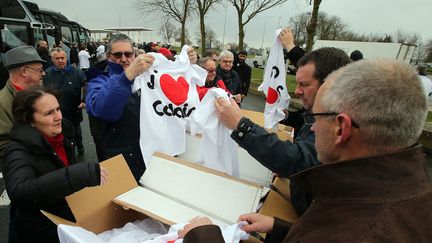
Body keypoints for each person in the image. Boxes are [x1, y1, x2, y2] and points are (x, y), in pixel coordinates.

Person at [180, 59, 432, 242]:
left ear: (341, 128)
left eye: (317, 118)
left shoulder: (365, 230)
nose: (311, 130)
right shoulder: (402, 191)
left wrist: (203, 237)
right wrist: (282, 228)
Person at [215, 46, 350, 216]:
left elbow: (301, 161)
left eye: (304, 84)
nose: (298, 91)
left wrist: (240, 125)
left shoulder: (335, 121)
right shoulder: (321, 112)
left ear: (330, 84)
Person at [3, 87, 108, 242]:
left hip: (63, 225)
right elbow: (21, 192)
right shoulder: (17, 150)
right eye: (48, 113)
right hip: (35, 232)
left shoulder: (63, 136)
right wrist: (78, 174)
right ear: (29, 120)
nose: (58, 116)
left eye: (58, 109)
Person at [86, 33, 154, 182]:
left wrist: (187, 63)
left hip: (150, 154)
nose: (123, 59)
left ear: (134, 54)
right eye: (117, 55)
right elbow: (101, 109)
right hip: (119, 158)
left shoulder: (147, 76)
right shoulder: (98, 80)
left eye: (128, 54)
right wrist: (126, 77)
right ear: (108, 56)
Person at [0, 45, 46, 166]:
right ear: (24, 72)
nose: (44, 73)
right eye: (40, 70)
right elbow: (4, 146)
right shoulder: (2, 103)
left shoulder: (36, 93)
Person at [43, 47, 87, 154]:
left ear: (66, 58)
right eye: (57, 58)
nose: (60, 61)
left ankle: (80, 145)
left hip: (73, 110)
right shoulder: (47, 74)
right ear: (52, 60)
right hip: (56, 112)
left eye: (62, 58)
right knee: (60, 135)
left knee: (76, 131)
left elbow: (86, 85)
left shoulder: (77, 72)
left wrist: (84, 100)